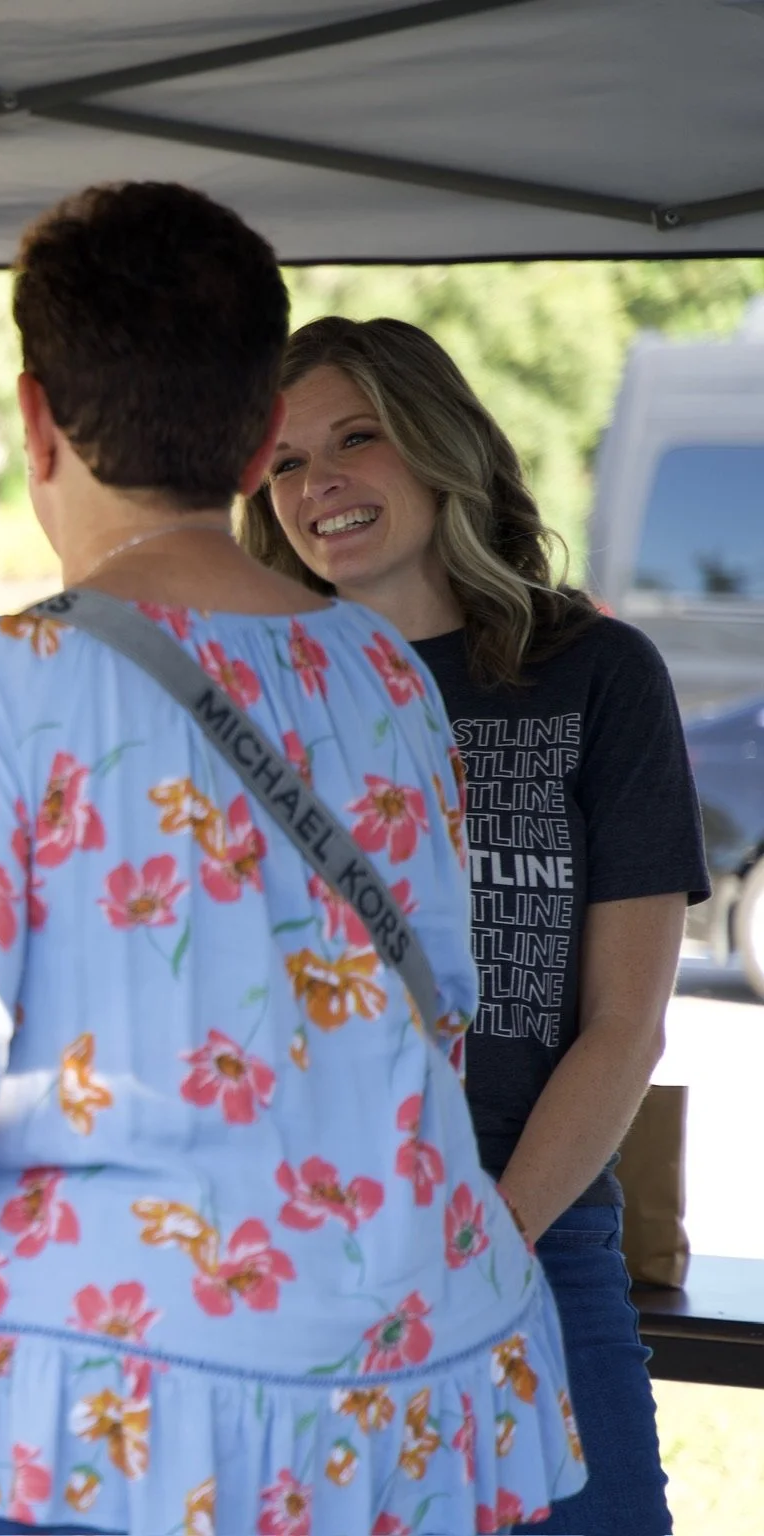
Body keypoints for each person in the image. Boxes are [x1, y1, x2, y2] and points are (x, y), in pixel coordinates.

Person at [0, 183, 587, 1536]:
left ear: (36, 419)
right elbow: (438, 1012)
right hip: (409, 1410)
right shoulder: (382, 675)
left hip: (103, 1425)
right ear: (265, 438)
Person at [245, 314, 703, 1535]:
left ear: (441, 446)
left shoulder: (596, 674)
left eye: (357, 437)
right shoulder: (249, 693)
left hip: (533, 1243)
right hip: (307, 1262)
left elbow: (625, 1024)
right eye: (283, 461)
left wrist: (484, 1246)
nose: (318, 482)